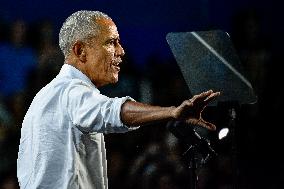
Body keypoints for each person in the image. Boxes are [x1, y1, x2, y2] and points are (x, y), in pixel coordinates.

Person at [17, 10, 220, 189]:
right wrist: (172, 112)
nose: (121, 51)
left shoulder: (45, 97)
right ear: (80, 50)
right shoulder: (72, 92)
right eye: (111, 42)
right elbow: (112, 111)